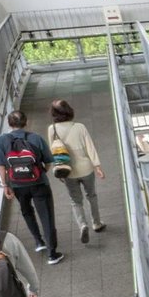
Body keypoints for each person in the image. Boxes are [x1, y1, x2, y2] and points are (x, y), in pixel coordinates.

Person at [0, 111, 62, 265]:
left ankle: (38, 241)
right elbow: (49, 161)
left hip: (17, 185)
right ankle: (52, 254)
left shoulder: (2, 140)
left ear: (9, 124)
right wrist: (41, 172)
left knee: (26, 211)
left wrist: (5, 185)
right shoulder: (36, 138)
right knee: (47, 216)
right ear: (26, 122)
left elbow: (1, 165)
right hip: (39, 183)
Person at [47, 99, 105, 244]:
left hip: (68, 170)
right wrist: (97, 166)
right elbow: (90, 147)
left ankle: (83, 225)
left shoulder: (51, 129)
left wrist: (58, 168)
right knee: (91, 195)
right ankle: (96, 223)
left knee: (75, 201)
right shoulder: (80, 127)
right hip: (86, 169)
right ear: (69, 110)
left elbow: (53, 150)